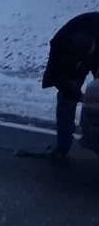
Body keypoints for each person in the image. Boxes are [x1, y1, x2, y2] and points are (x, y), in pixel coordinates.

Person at [40, 12, 99, 161]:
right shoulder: (61, 48)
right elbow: (58, 78)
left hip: (91, 46)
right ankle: (62, 147)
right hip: (73, 59)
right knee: (67, 101)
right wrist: (80, 96)